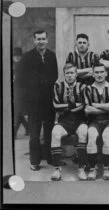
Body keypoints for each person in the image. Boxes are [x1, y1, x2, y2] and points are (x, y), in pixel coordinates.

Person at [17, 30, 58, 171]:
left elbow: (55, 76)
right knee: (34, 134)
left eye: (43, 39)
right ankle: (34, 162)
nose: (41, 41)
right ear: (34, 41)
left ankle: (50, 158)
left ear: (47, 40)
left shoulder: (52, 56)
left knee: (49, 131)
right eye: (38, 39)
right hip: (33, 103)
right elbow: (21, 80)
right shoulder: (27, 57)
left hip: (48, 102)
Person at [50, 63, 88, 181]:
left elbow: (83, 105)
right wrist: (72, 105)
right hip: (64, 120)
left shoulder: (82, 87)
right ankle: (56, 169)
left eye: (72, 73)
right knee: (55, 133)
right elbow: (56, 105)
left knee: (83, 132)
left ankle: (81, 169)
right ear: (64, 74)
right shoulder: (58, 86)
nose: (70, 76)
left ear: (76, 74)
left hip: (79, 120)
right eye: (67, 73)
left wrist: (65, 107)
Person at [84, 63, 109, 180]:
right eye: (96, 72)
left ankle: (106, 168)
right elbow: (88, 109)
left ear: (106, 73)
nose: (99, 75)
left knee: (106, 135)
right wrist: (106, 106)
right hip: (95, 121)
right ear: (93, 74)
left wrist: (96, 105)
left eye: (101, 72)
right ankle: (93, 169)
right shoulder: (88, 88)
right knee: (92, 135)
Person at [13, 47, 29, 138]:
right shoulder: (14, 64)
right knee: (18, 111)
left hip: (21, 91)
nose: (16, 58)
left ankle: (14, 132)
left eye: (18, 56)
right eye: (15, 56)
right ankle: (27, 127)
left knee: (17, 111)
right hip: (16, 90)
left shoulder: (22, 65)